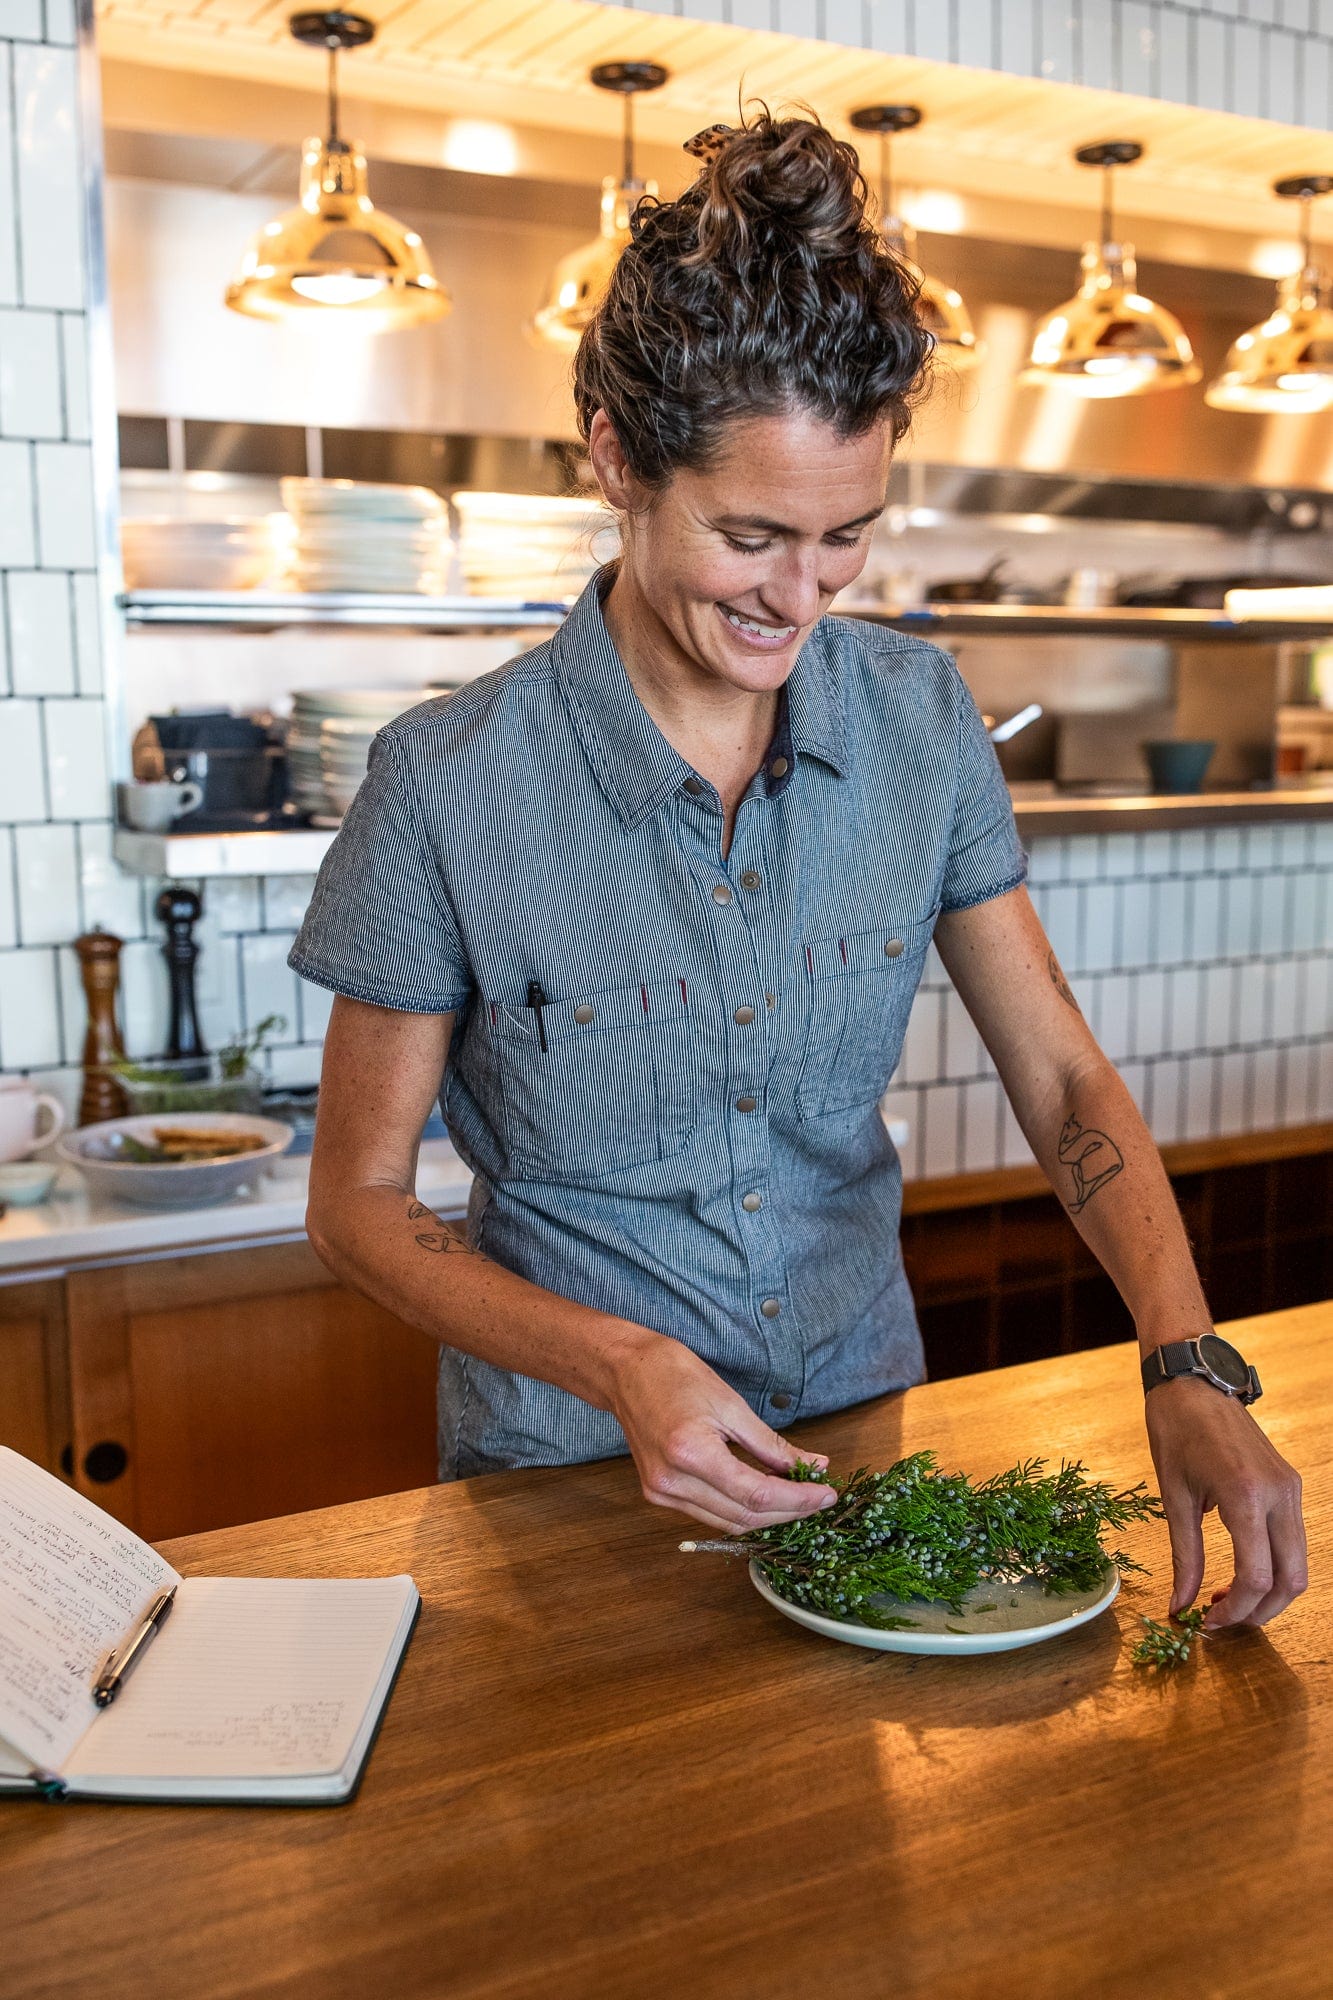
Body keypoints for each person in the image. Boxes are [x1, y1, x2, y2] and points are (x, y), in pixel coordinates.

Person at [291, 112, 1305, 1629]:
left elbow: (1064, 1084)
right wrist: (623, 1363)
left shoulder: (916, 721)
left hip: (860, 1443)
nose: (799, 594)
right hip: (568, 1476)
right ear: (618, 459)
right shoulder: (447, 784)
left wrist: (1181, 1351)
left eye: (846, 540)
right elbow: (356, 1202)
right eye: (751, 535)